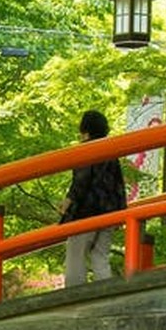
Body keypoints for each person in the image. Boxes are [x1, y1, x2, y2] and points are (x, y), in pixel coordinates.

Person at [59, 109, 126, 285]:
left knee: (75, 254)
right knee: (100, 255)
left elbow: (81, 181)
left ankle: (74, 296)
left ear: (85, 130)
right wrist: (121, 211)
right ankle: (106, 295)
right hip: (109, 212)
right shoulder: (111, 153)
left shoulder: (86, 150)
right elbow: (119, 185)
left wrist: (69, 200)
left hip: (86, 212)